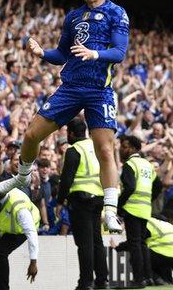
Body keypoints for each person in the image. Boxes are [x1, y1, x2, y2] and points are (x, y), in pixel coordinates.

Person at [19, 0, 130, 234]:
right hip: (70, 87)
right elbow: (61, 54)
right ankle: (22, 178)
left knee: (105, 149)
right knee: (32, 135)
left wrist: (95, 55)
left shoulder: (116, 13)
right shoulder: (74, 17)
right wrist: (41, 53)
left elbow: (119, 52)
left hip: (98, 90)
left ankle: (110, 211)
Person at [56, 118, 109, 290]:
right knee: (97, 241)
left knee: (84, 244)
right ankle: (102, 280)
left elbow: (66, 179)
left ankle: (86, 282)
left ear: (71, 133)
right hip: (98, 198)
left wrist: (59, 201)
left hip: (81, 200)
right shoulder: (95, 147)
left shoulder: (73, 150)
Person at [0, 175, 39, 290]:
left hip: (20, 230)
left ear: (5, 190)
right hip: (1, 228)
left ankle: (2, 287)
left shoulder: (19, 206)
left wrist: (33, 262)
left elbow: (31, 233)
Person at [118, 135, 162, 289]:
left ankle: (138, 279)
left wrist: (119, 205)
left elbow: (129, 187)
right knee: (142, 244)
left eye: (125, 146)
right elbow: (158, 186)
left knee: (134, 244)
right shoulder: (147, 165)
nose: (121, 149)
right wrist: (148, 199)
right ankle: (148, 277)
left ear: (134, 148)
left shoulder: (130, 164)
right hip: (144, 209)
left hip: (132, 209)